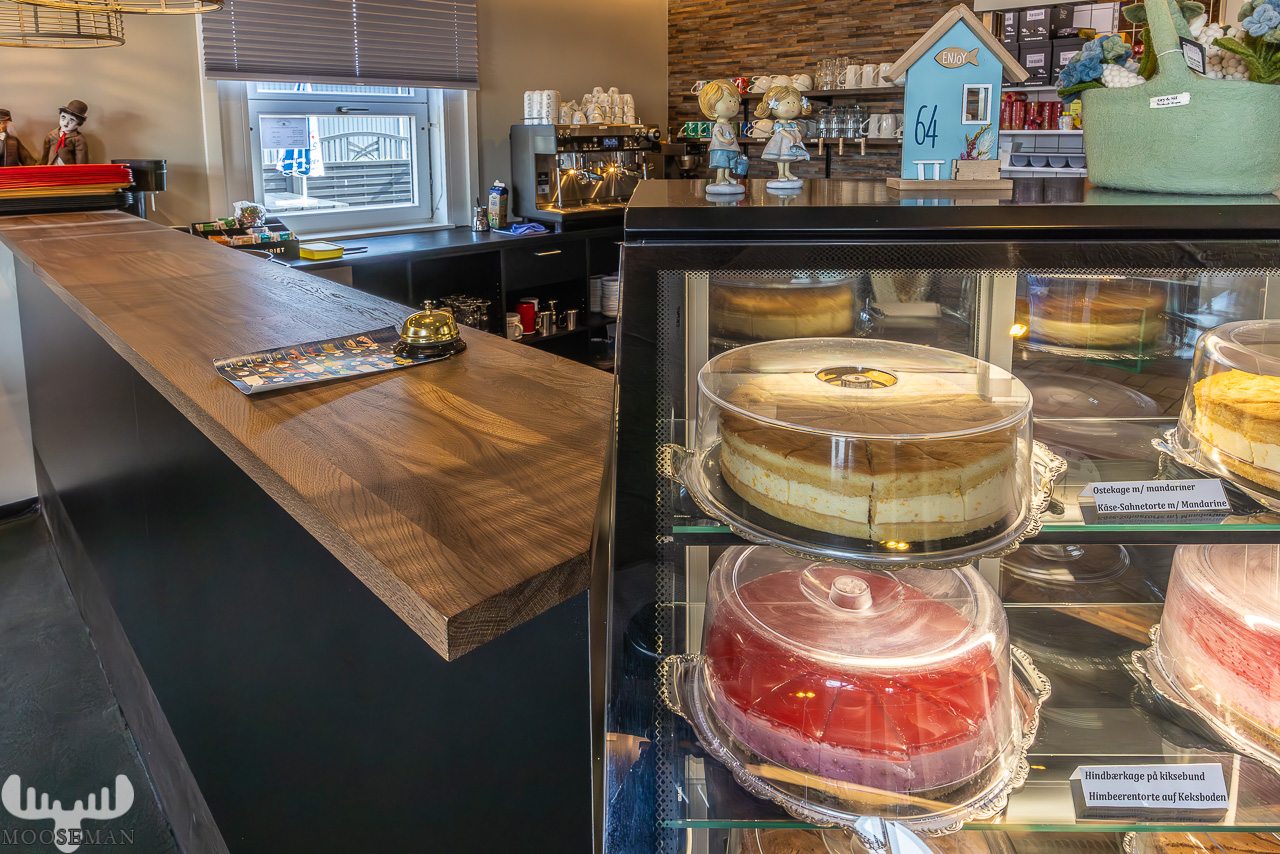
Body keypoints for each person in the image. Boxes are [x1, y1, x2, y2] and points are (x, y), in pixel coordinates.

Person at [755, 85, 811, 188]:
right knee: (781, 157)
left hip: (791, 143)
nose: (792, 106)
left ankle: (787, 172)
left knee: (788, 158)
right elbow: (782, 132)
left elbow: (796, 131)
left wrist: (798, 136)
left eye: (794, 103)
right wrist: (790, 137)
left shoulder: (792, 124)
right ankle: (781, 173)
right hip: (781, 143)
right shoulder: (778, 124)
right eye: (788, 103)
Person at [697, 80, 745, 194]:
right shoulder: (718, 125)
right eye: (729, 101)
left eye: (735, 101)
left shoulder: (729, 124)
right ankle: (720, 177)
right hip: (721, 148)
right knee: (722, 163)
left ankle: (727, 176)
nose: (734, 104)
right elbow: (718, 135)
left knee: (729, 163)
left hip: (731, 148)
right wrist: (725, 140)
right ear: (712, 107)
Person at [42, 100, 89, 166]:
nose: (66, 123)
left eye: (72, 120)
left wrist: (80, 171)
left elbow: (81, 159)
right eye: (63, 118)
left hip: (68, 168)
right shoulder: (51, 135)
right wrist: (43, 166)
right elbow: (45, 155)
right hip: (52, 167)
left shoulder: (79, 139)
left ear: (78, 124)